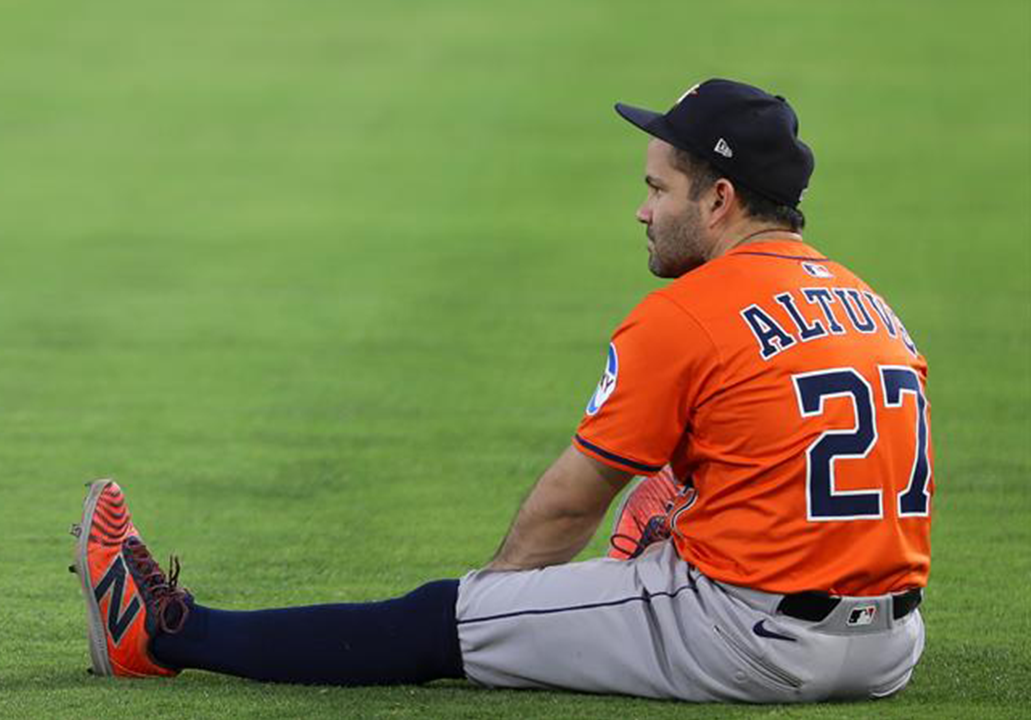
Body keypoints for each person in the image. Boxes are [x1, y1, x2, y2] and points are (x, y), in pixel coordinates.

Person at [69, 78, 932, 702]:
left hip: (748, 639)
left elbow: (570, 505)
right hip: (891, 650)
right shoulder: (871, 305)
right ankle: (663, 555)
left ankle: (164, 633)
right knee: (677, 486)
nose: (642, 210)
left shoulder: (689, 313)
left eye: (657, 188)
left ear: (720, 201)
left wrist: (495, 607)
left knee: (436, 619)